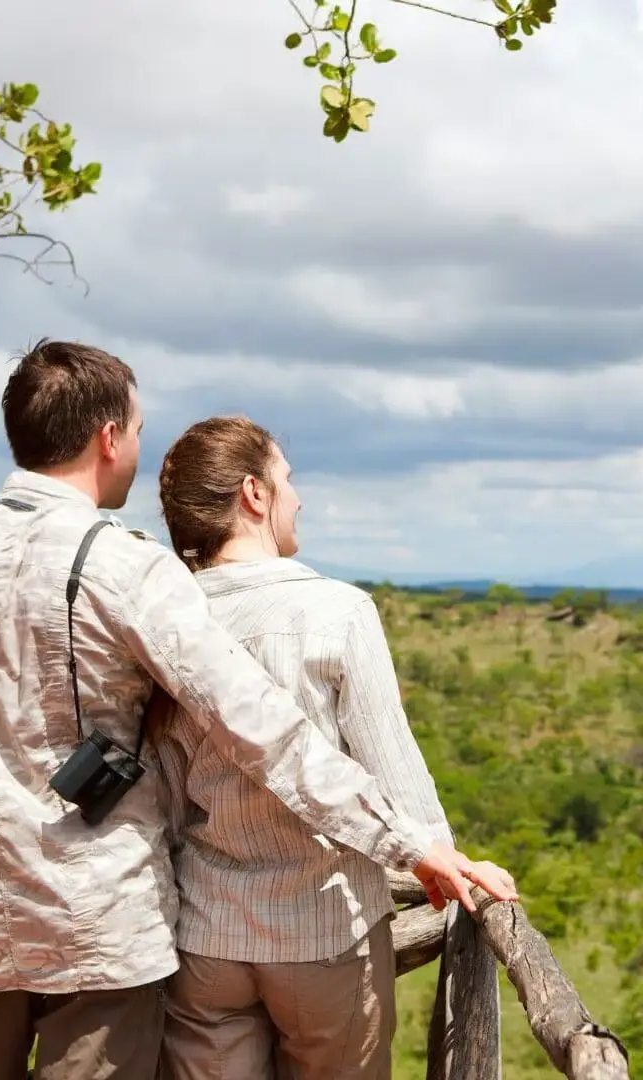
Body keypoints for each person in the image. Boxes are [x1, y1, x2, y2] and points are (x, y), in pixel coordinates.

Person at [0, 340, 515, 1080]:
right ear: (108, 437)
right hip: (101, 926)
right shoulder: (126, 564)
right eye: (139, 430)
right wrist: (405, 841)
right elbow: (261, 727)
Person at [151, 415, 515, 1080]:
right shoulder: (337, 611)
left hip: (202, 937)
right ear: (253, 495)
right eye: (287, 480)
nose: (298, 498)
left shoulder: (166, 622)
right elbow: (393, 767)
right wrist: (443, 855)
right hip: (325, 930)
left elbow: (163, 796)